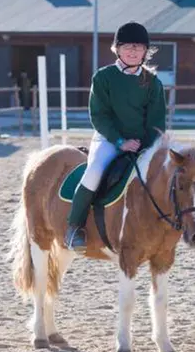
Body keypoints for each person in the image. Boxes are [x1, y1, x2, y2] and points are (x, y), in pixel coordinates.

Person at [65, 22, 167, 251]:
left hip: (142, 143)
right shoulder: (103, 77)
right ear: (117, 49)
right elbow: (99, 116)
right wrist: (121, 142)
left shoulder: (153, 82)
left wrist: (146, 146)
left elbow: (156, 122)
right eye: (127, 46)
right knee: (94, 172)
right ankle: (74, 227)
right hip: (109, 139)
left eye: (138, 47)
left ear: (145, 51)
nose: (133, 51)